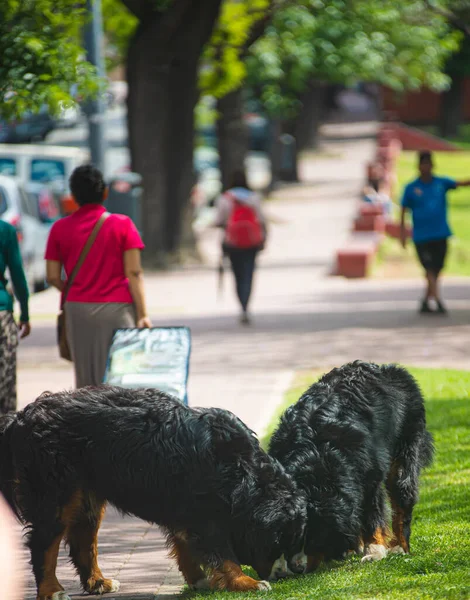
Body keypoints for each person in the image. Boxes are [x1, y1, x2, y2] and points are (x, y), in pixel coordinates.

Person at [45, 165, 152, 388]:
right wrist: (142, 314)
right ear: (104, 193)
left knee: (86, 380)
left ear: (73, 196)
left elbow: (52, 276)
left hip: (77, 309)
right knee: (122, 377)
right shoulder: (123, 224)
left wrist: (75, 290)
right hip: (118, 309)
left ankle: (89, 421)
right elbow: (134, 272)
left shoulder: (59, 228)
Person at [400, 151, 470, 314]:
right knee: (429, 268)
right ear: (418, 166)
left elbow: (461, 184)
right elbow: (403, 212)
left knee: (437, 268)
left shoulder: (441, 183)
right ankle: (438, 301)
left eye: (428, 163)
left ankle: (425, 301)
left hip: (440, 233)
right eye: (423, 164)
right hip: (421, 235)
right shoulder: (411, 188)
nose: (426, 167)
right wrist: (403, 234)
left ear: (432, 165)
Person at [215, 171, 266, 325]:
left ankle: (242, 305)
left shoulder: (224, 199)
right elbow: (262, 220)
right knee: (248, 274)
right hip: (252, 242)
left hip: (232, 243)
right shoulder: (254, 198)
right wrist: (264, 238)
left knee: (237, 275)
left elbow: (218, 220)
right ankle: (246, 304)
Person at [0, 220, 31, 414]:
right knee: (5, 385)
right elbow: (17, 273)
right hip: (2, 315)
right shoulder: (5, 230)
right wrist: (25, 314)